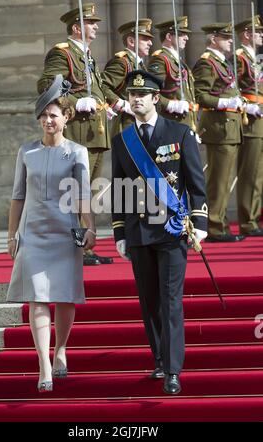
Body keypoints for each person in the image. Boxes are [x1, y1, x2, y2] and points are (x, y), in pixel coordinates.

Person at [111, 70, 208, 395]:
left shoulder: (180, 133)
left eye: (143, 94)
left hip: (172, 230)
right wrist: (120, 232)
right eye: (132, 94)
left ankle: (172, 370)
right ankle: (158, 358)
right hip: (138, 232)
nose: (136, 99)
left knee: (170, 300)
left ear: (156, 98)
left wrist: (200, 223)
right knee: (149, 300)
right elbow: (119, 188)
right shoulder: (122, 139)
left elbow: (196, 183)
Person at [7, 75, 96, 392]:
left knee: (64, 296)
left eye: (53, 115)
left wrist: (90, 227)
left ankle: (60, 350)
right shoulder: (26, 151)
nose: (47, 120)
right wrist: (11, 234)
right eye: (43, 115)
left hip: (65, 230)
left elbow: (83, 194)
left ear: (66, 117)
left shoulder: (77, 152)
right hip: (32, 232)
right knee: (37, 299)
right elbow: (18, 196)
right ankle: (43, 362)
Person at [37, 3, 112, 266]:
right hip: (79, 128)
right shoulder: (63, 53)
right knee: (75, 191)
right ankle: (76, 248)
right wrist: (75, 103)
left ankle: (85, 247)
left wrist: (106, 106)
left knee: (87, 191)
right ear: (77, 27)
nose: (96, 27)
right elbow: (47, 85)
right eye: (91, 23)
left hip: (95, 130)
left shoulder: (86, 55)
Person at [193, 23, 245, 242]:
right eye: (225, 37)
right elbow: (201, 94)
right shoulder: (207, 63)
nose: (230, 40)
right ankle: (214, 226)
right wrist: (226, 102)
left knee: (224, 181)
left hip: (229, 127)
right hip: (219, 127)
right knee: (218, 180)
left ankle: (220, 223)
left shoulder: (221, 62)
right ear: (213, 39)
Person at [235, 15, 263, 236]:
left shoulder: (255, 59)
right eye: (258, 32)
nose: (261, 35)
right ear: (247, 34)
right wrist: (246, 106)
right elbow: (230, 87)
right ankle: (247, 220)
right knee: (249, 172)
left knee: (258, 174)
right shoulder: (240, 58)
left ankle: (252, 217)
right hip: (250, 121)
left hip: (260, 120)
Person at [101, 18, 153, 136]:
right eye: (145, 39)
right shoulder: (122, 62)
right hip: (126, 124)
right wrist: (120, 104)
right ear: (131, 41)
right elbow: (101, 84)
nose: (150, 43)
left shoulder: (139, 64)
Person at [147, 16, 198, 131]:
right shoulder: (160, 59)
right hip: (172, 122)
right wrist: (170, 105)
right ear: (169, 36)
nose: (187, 38)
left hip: (186, 122)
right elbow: (150, 91)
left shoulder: (178, 61)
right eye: (181, 34)